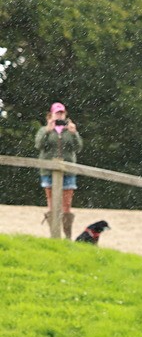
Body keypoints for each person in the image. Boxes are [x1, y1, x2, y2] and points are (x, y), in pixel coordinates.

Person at [35, 102, 83, 238]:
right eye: (57, 113)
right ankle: (54, 234)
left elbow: (78, 148)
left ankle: (67, 235)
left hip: (68, 170)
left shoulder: (70, 130)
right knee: (51, 203)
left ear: (65, 114)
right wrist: (47, 131)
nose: (59, 115)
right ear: (51, 115)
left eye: (61, 113)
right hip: (48, 170)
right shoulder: (44, 130)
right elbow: (39, 145)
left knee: (66, 204)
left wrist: (74, 133)